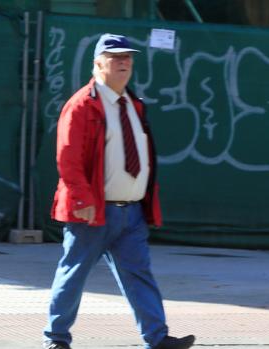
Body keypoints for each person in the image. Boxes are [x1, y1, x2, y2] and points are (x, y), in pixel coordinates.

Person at [43, 33, 195, 349]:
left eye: (127, 57)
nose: (123, 62)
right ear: (98, 64)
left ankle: (157, 338)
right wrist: (82, 198)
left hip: (132, 212)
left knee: (138, 275)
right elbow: (67, 157)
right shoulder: (82, 104)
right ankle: (56, 339)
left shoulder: (133, 105)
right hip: (92, 211)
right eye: (115, 57)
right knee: (73, 276)